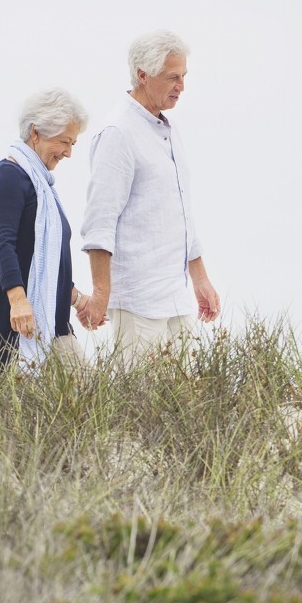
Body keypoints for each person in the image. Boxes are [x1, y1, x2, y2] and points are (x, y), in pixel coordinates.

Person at [80, 29, 221, 363]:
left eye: (184, 76)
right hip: (138, 301)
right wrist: (100, 293)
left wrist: (200, 278)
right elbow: (99, 221)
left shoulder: (168, 131)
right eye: (173, 77)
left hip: (176, 298)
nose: (181, 86)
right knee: (140, 394)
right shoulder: (118, 132)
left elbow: (180, 213)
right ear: (143, 75)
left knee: (189, 390)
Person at [0, 88, 92, 369]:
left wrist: (77, 300)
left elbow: (44, 263)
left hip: (51, 324)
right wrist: (19, 301)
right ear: (36, 132)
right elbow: (4, 246)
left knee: (87, 391)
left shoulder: (42, 188)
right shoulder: (8, 177)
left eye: (73, 143)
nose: (69, 153)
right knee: (24, 401)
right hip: (13, 325)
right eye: (64, 142)